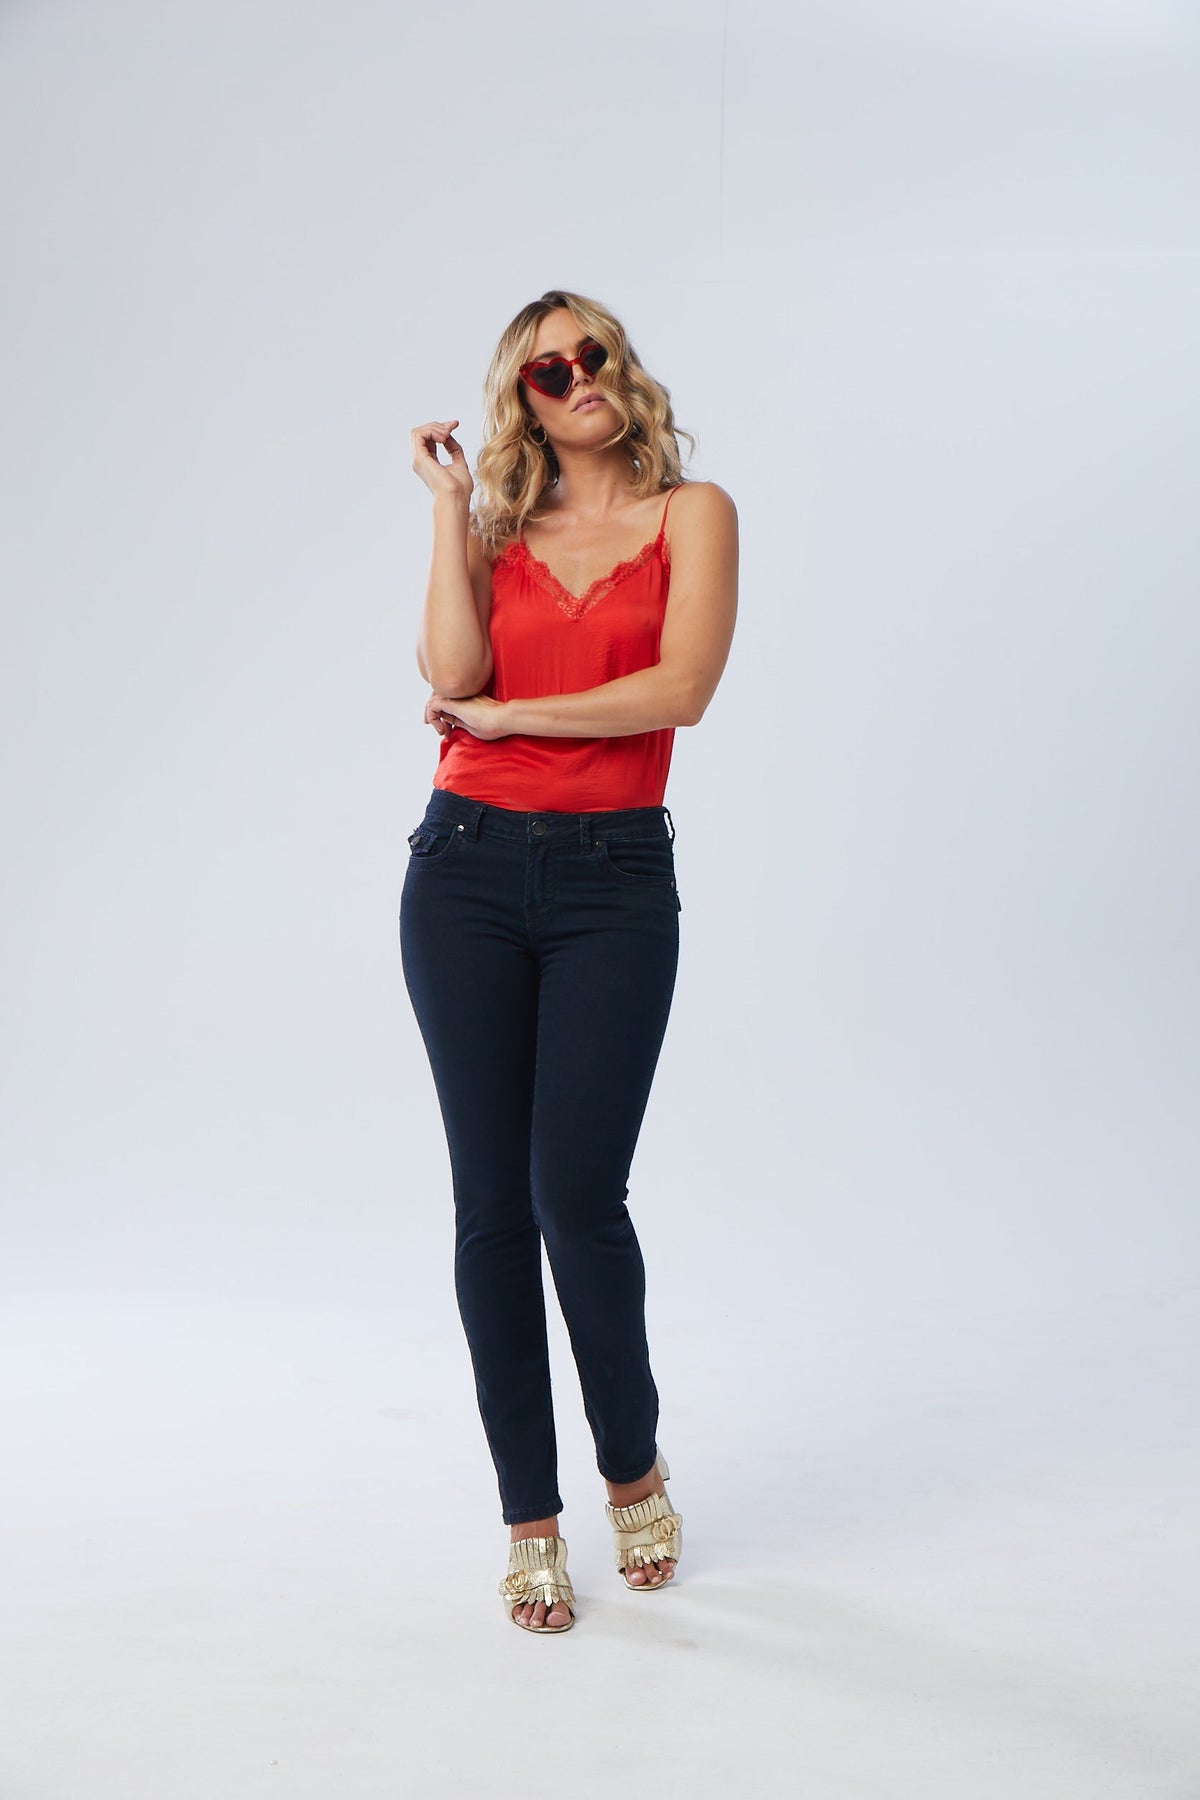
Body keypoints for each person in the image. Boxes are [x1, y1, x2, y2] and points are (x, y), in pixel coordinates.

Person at [400, 288, 738, 1632]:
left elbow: (682, 690)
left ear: (624, 369)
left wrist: (510, 717)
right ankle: (528, 1518)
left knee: (577, 1195)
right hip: (464, 870)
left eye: (595, 352)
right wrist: (449, 512)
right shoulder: (493, 531)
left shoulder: (692, 515)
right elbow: (448, 668)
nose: (581, 374)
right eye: (549, 370)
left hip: (614, 880)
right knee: (493, 1205)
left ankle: (631, 1464)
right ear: (524, 401)